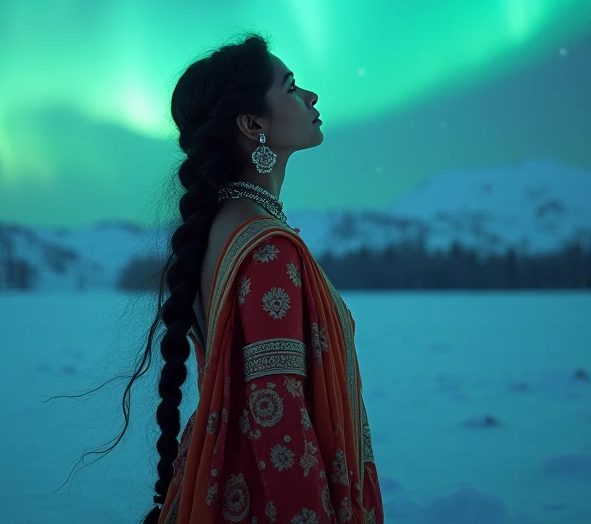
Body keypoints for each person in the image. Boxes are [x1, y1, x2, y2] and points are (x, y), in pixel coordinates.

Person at [51, 32, 384, 522]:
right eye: (291, 87)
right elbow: (278, 415)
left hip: (222, 485)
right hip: (269, 497)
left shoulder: (218, 230)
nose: (311, 97)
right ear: (253, 124)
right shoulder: (265, 247)